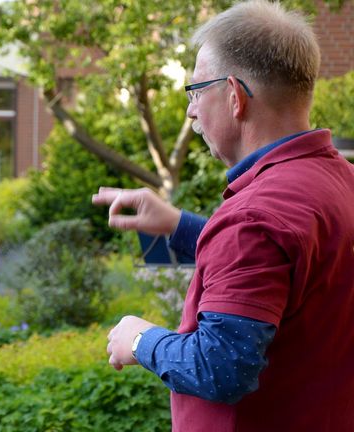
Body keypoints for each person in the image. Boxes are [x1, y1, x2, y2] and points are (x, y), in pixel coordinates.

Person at [93, 1, 354, 430]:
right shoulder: (338, 179)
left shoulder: (256, 215)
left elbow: (220, 367)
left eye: (196, 91)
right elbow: (284, 267)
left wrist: (139, 339)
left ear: (233, 96)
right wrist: (179, 225)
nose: (191, 110)